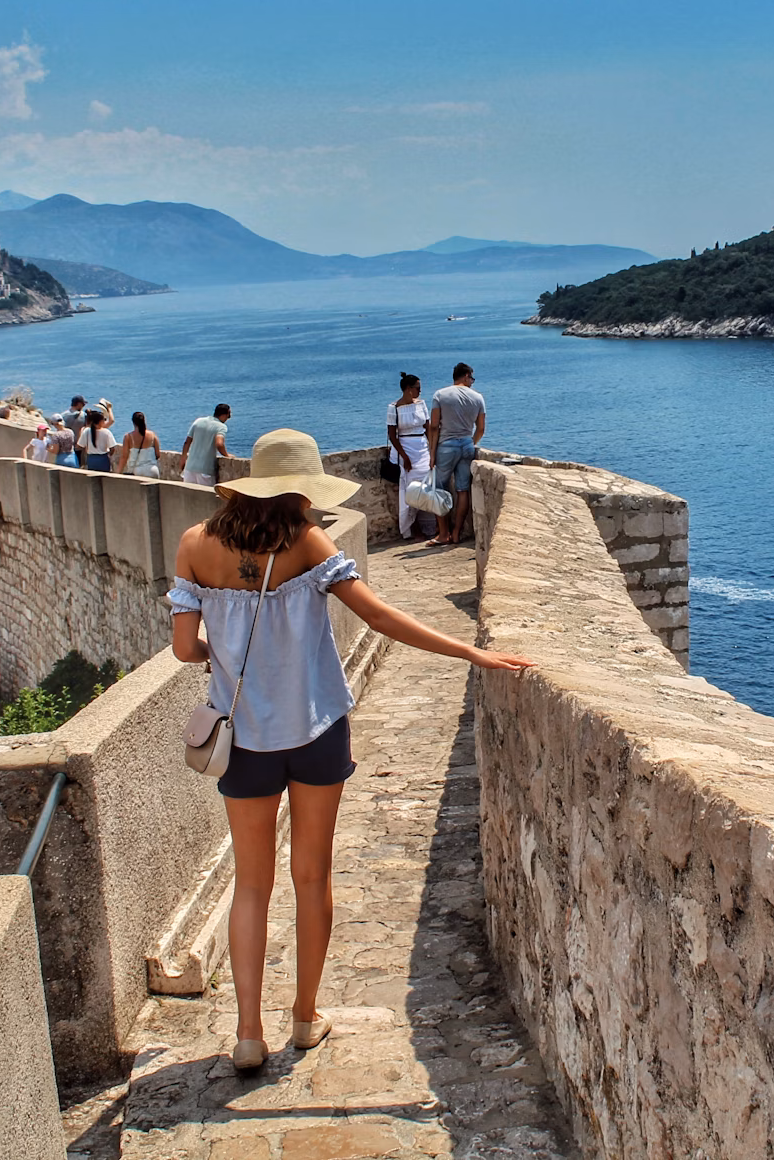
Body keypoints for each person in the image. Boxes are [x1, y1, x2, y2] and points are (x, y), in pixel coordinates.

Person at [168, 429, 532, 1073]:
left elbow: (184, 649)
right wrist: (471, 651)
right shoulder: (308, 543)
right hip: (314, 730)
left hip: (242, 737)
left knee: (251, 884)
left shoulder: (197, 545)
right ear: (304, 491)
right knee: (312, 876)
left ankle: (248, 1034)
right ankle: (305, 1019)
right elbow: (380, 617)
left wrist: (220, 657)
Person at [426, 362, 485, 545]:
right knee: (462, 490)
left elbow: (434, 426)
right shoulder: (478, 397)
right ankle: (457, 533)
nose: (472, 382)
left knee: (439, 490)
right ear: (466, 375)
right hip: (467, 444)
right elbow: (481, 428)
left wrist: (432, 453)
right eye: (472, 378)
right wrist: (470, 443)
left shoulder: (440, 395)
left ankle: (443, 534)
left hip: (446, 446)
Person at [385, 372, 434, 541]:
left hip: (421, 449)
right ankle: (412, 527)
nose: (420, 391)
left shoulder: (421, 405)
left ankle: (429, 525)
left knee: (425, 486)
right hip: (405, 449)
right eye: (417, 388)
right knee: (409, 489)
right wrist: (404, 457)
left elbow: (428, 428)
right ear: (408, 389)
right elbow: (392, 435)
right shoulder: (393, 408)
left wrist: (433, 450)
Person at [182, 403, 231, 487]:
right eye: (228, 415)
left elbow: (187, 442)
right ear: (223, 415)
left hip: (189, 468)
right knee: (206, 498)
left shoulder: (198, 421)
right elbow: (219, 444)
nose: (229, 418)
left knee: (189, 498)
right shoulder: (221, 427)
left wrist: (183, 458)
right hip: (205, 470)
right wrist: (227, 455)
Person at [122, 411, 163, 478]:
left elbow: (124, 457)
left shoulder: (128, 437)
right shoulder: (153, 435)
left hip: (137, 471)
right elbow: (158, 455)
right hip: (152, 470)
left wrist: (118, 472)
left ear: (133, 422)